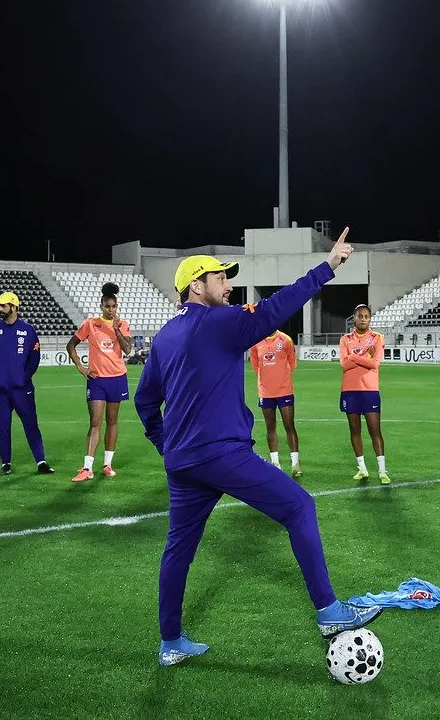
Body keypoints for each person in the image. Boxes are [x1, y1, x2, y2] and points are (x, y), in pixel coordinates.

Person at [133, 229, 381, 666]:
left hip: (184, 463)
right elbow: (273, 310)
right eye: (220, 279)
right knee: (299, 507)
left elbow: (145, 401)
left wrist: (166, 446)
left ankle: (170, 641)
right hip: (222, 454)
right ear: (197, 285)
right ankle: (329, 612)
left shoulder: (166, 336)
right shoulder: (218, 322)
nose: (228, 286)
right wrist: (327, 267)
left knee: (178, 550)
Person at [0, 291, 54, 475]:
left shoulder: (28, 330)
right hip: (0, 390)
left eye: (3, 305)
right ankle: (5, 463)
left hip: (22, 390)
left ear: (14, 307)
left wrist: (23, 378)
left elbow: (34, 359)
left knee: (31, 424)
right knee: (2, 427)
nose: (0, 308)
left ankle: (41, 461)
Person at [69, 282, 133, 482]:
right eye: (107, 306)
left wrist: (116, 330)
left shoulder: (122, 324)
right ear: (101, 306)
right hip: (97, 380)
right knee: (95, 422)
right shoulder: (90, 323)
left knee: (112, 421)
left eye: (114, 307)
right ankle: (87, 468)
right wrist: (81, 367)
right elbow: (71, 344)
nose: (111, 310)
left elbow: (128, 350)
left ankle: (107, 464)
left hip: (117, 378)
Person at [340, 305, 389, 484]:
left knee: (375, 430)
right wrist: (364, 357)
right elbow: (344, 365)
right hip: (349, 390)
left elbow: (375, 364)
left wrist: (353, 357)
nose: (363, 319)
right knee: (354, 430)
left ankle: (382, 471)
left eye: (366, 316)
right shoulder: (345, 339)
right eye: (360, 316)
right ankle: (362, 469)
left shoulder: (377, 338)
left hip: (369, 390)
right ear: (354, 318)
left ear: (370, 319)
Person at [250, 329, 301, 476]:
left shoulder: (286, 340)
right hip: (265, 392)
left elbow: (292, 363)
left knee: (289, 425)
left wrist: (280, 376)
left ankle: (295, 463)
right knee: (270, 427)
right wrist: (267, 379)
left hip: (284, 390)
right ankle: (275, 463)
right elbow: (255, 366)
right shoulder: (256, 341)